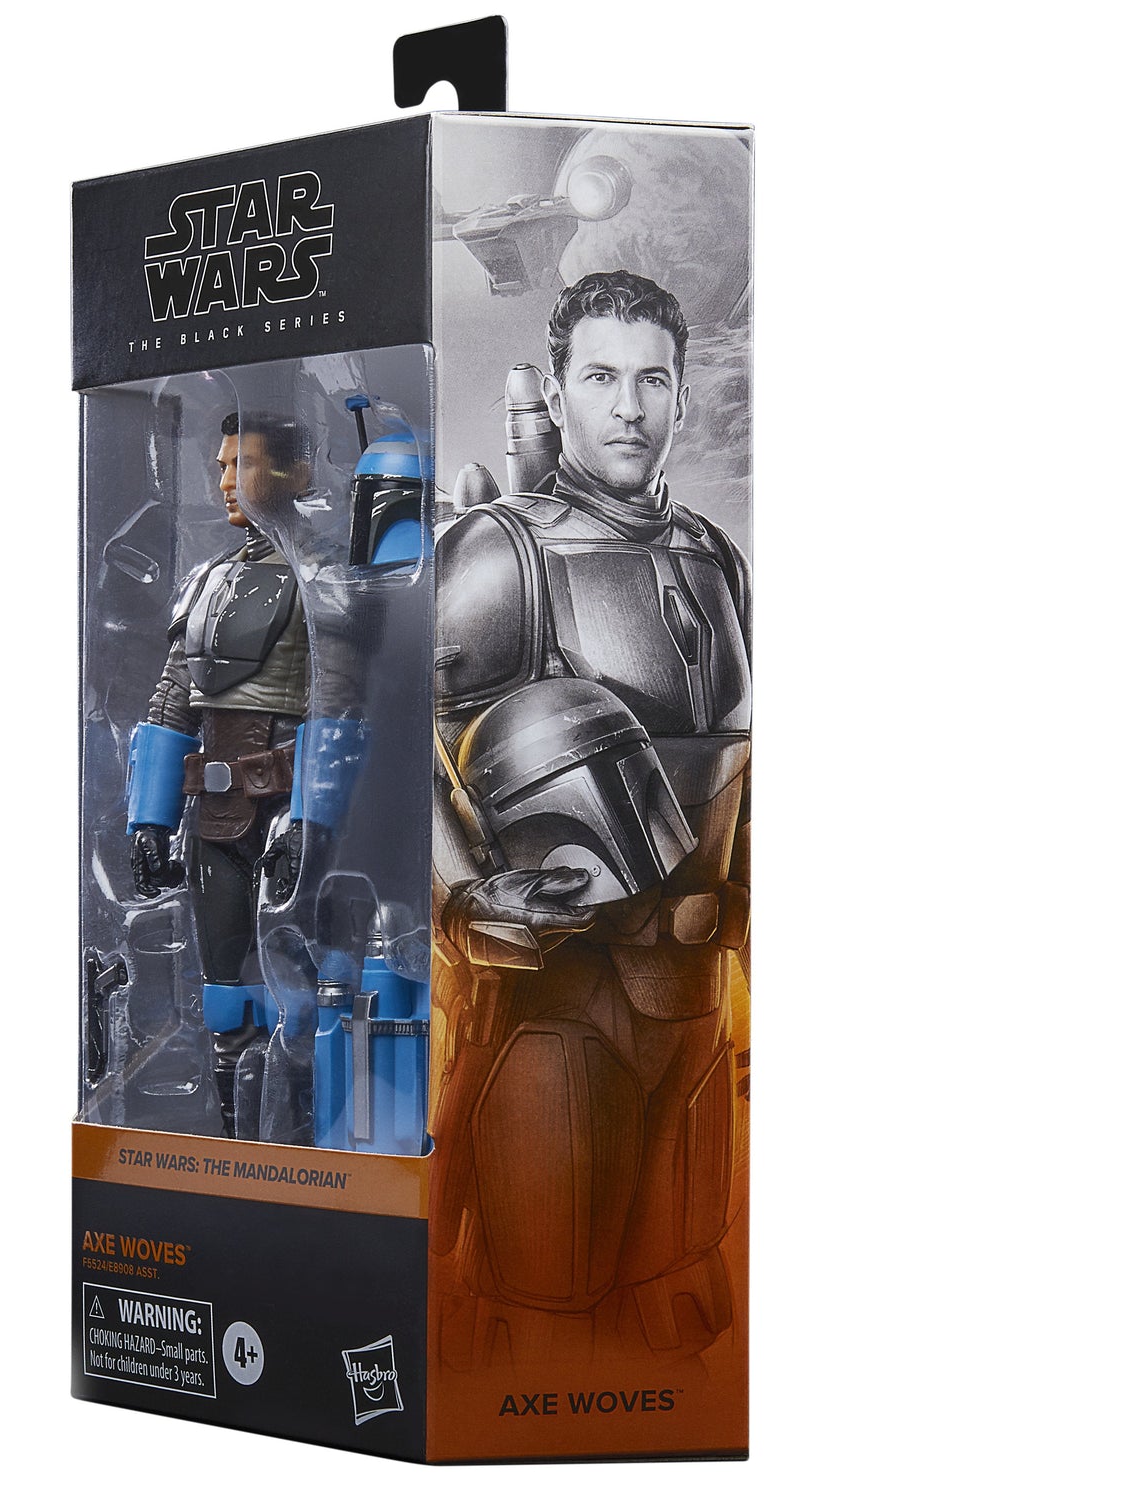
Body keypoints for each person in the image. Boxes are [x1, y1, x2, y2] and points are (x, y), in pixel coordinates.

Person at [431, 269, 751, 1366]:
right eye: (602, 377)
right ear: (559, 391)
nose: (629, 406)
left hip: (695, 1004)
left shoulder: (714, 554)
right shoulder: (501, 550)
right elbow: (406, 742)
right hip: (558, 1004)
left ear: (682, 396)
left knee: (678, 1307)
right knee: (541, 1313)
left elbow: (741, 759)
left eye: (652, 380)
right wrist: (465, 900)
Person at [127, 412, 312, 1139]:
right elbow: (172, 699)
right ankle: (239, 1152)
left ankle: (308, 1146)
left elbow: (343, 702)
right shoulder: (209, 581)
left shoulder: (322, 577)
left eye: (245, 464)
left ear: (297, 473)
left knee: (310, 994)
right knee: (226, 999)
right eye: (223, 465)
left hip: (292, 812)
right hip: (215, 816)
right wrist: (149, 819)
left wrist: (309, 815)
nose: (227, 480)